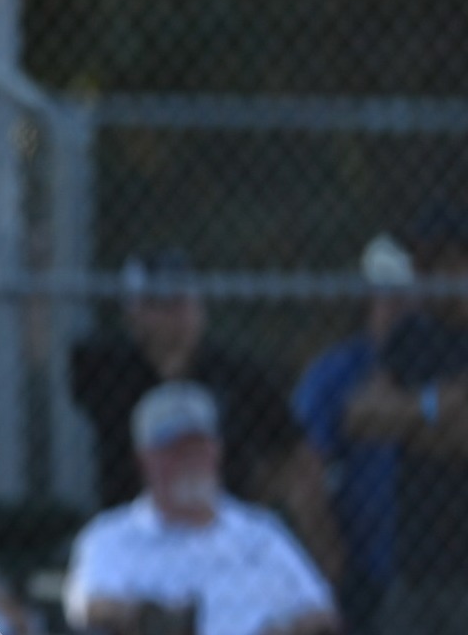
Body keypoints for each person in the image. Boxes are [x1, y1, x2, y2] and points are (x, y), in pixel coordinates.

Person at [69, 248, 344, 584]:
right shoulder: (109, 370)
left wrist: (266, 494)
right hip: (139, 536)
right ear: (134, 314)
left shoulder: (234, 374)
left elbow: (297, 454)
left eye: (183, 301)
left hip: (222, 538)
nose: (177, 315)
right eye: (161, 305)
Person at [62, 381, 340, 635]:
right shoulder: (111, 538)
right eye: (174, 451)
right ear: (144, 460)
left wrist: (284, 630)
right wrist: (142, 617)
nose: (189, 461)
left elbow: (322, 613)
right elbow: (88, 607)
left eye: (197, 448)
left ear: (217, 451)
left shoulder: (261, 534)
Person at [342, 202, 468, 635]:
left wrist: (402, 420)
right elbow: (358, 417)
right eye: (420, 262)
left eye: (436, 261)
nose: (422, 274)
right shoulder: (411, 334)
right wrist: (431, 406)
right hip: (414, 568)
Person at [290, 234, 414, 634]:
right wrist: (335, 568)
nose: (399, 312)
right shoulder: (335, 375)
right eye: (389, 299)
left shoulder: (453, 370)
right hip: (364, 573)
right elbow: (303, 472)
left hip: (445, 570)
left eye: (410, 300)